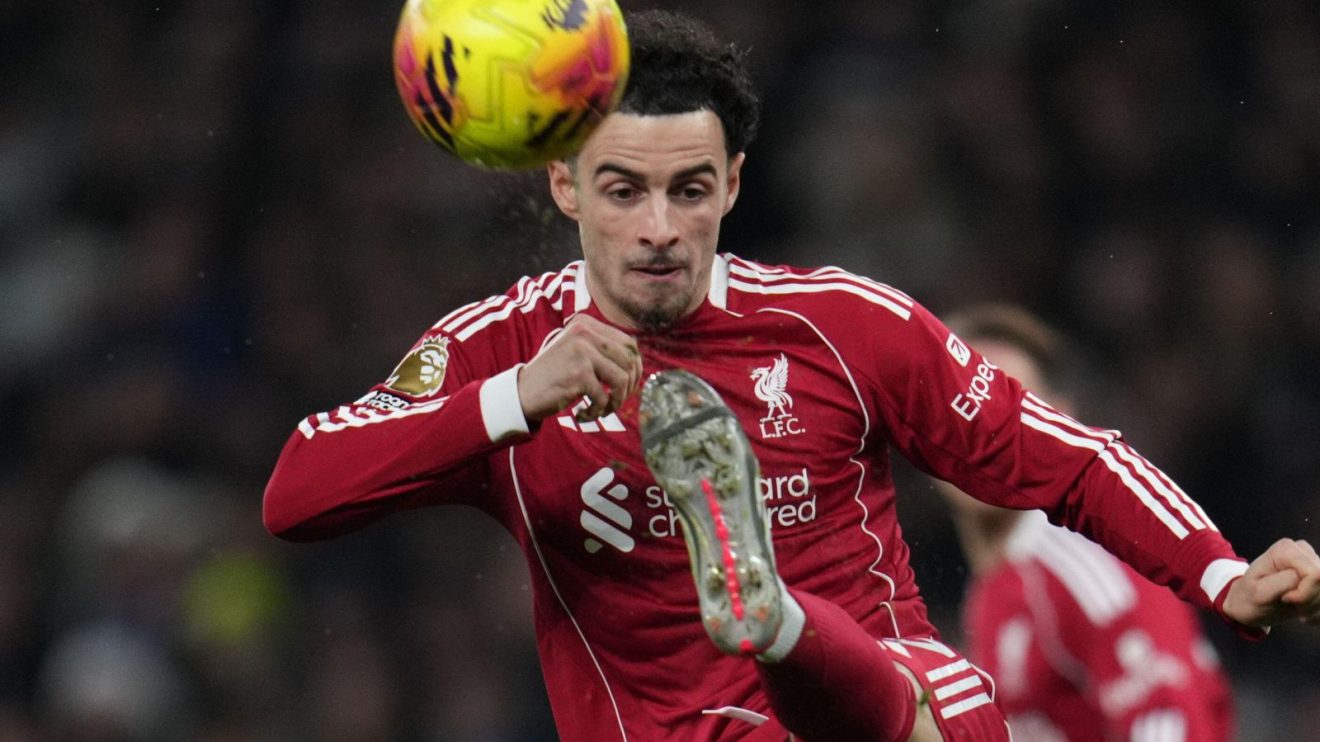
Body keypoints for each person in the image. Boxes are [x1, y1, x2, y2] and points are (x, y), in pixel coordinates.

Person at [263, 9, 1320, 741]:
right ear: (564, 184)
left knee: (941, 699)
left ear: (733, 185)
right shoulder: (503, 349)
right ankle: (770, 615)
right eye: (624, 190)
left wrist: (1222, 576)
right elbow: (296, 494)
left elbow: (1067, 460)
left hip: (886, 710)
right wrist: (512, 404)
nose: (660, 229)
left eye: (690, 190)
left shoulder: (840, 328)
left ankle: (772, 618)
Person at [932, 304, 1237, 741]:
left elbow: (1171, 722)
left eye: (1004, 411)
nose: (978, 434)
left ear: (1057, 426)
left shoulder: (1085, 561)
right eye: (956, 409)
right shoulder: (997, 589)